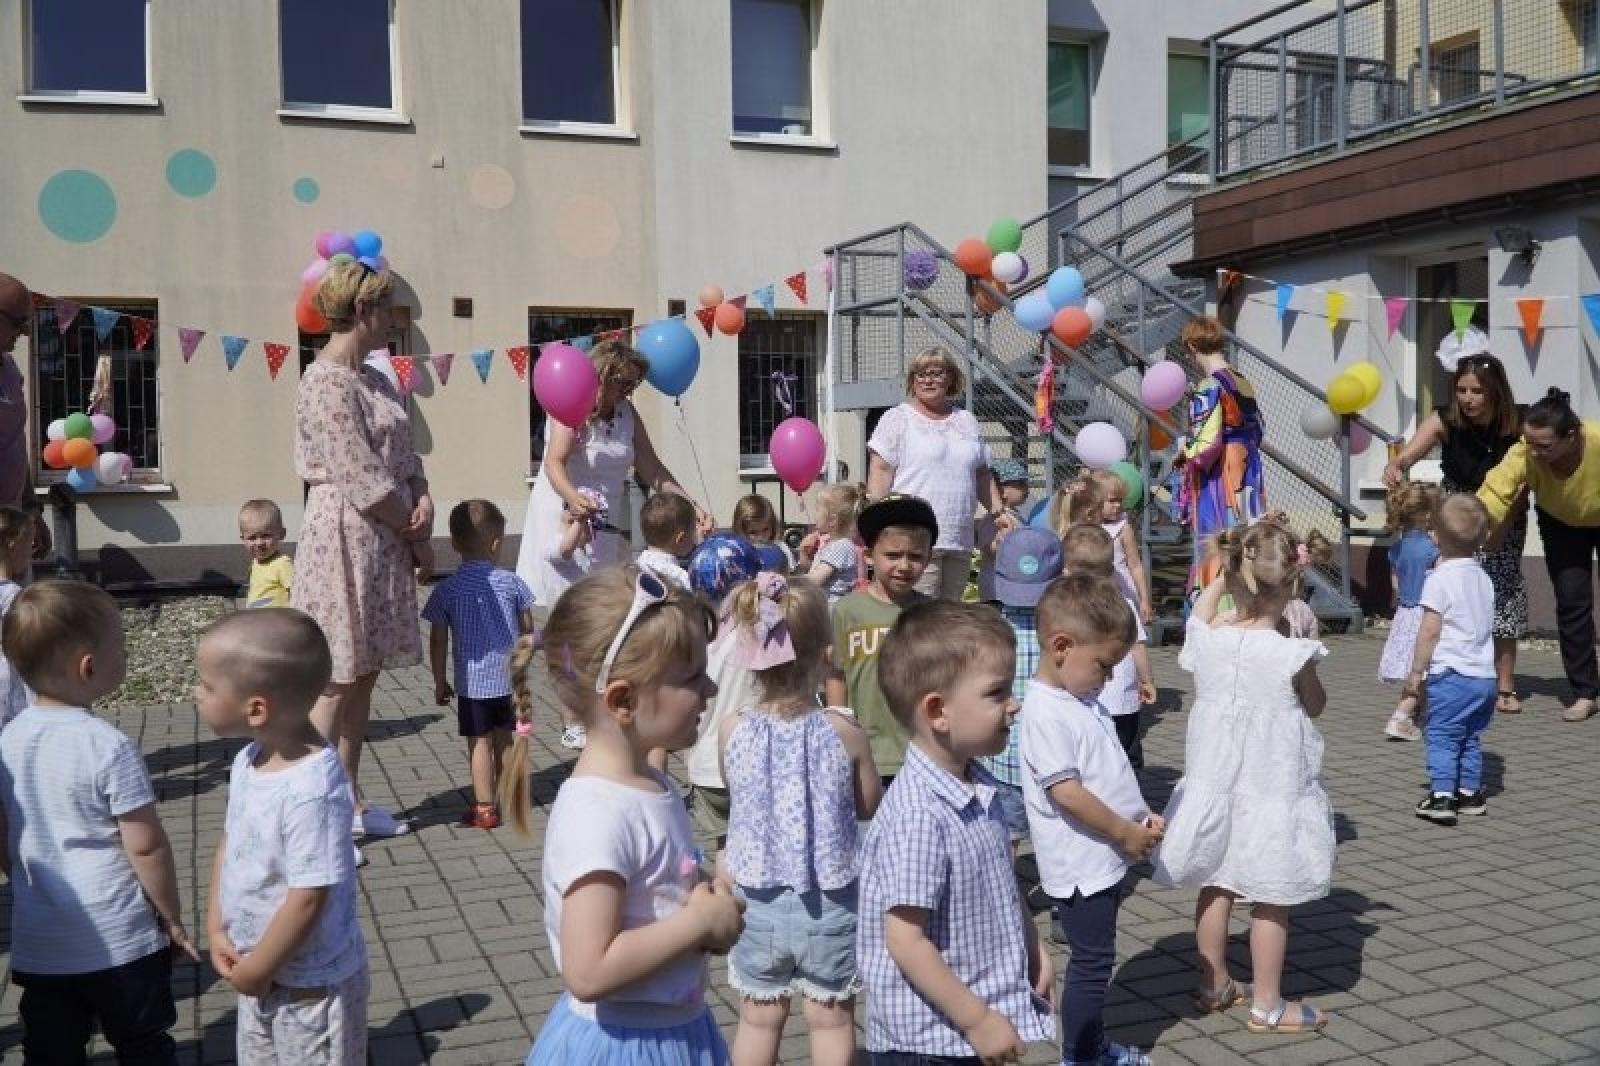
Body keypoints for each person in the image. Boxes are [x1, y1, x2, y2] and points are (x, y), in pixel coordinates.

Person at [499, 567, 745, 1064]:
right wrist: (698, 923)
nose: (711, 689)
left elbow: (650, 887)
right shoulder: (598, 815)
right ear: (624, 700)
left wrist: (702, 892)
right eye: (692, 677)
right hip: (624, 1046)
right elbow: (588, 970)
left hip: (673, 1030)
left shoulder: (650, 784)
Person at [0, 581, 198, 1063]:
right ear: (88, 667)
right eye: (121, 646)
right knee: (142, 1044)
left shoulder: (7, 740)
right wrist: (170, 916)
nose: (126, 653)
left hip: (42, 939)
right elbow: (145, 846)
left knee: (50, 1049)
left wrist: (19, 877)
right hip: (119, 936)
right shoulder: (107, 746)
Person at [1152, 522, 1332, 1035]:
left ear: (1234, 577)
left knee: (1216, 881)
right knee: (1272, 893)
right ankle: (1268, 1005)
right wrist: (1303, 653)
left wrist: (1220, 580)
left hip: (1216, 782)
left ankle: (1214, 985)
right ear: (1293, 586)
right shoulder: (1290, 651)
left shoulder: (1209, 640)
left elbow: (1198, 616)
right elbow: (1315, 705)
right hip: (1270, 784)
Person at [859, 600, 1054, 1063]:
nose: (1014, 704)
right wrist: (977, 1020)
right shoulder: (918, 815)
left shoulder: (977, 783)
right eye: (997, 693)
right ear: (938, 711)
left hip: (970, 1020)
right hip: (930, 1042)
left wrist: (1032, 946)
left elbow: (1000, 882)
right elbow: (905, 940)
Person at [718, 574, 882, 1066]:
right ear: (826, 655)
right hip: (830, 900)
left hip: (756, 898)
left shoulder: (732, 728)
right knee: (830, 1020)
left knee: (757, 1019)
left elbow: (735, 793)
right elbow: (869, 804)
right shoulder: (844, 731)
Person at [293, 260, 431, 842]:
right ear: (361, 310)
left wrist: (423, 495)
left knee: (365, 674)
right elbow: (358, 474)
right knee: (335, 682)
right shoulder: (325, 382)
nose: (395, 320)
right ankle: (312, 823)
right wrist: (413, 528)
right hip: (345, 536)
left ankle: (347, 802)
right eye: (387, 308)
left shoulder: (376, 379)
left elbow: (406, 456)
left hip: (383, 538)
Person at [515, 340, 708, 747]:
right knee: (571, 620)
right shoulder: (573, 401)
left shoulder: (626, 414)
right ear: (602, 377)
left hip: (603, 526)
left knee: (603, 617)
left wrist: (691, 506)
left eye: (634, 385)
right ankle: (572, 717)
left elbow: (652, 468)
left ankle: (593, 698)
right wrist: (573, 498)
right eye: (623, 383)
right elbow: (553, 462)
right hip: (566, 520)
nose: (628, 392)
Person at [197, 610, 367, 1065]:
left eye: (207, 686)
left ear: (256, 708)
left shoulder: (312, 790)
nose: (195, 693)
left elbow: (309, 897)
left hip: (310, 988)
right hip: (256, 966)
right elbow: (230, 844)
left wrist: (259, 969)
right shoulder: (249, 761)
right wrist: (216, 926)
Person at [1019, 573, 1159, 1065]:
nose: (1110, 677)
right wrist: (1123, 831)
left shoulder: (1079, 699)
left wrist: (1140, 818)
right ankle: (1079, 1057)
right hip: (1081, 863)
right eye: (1104, 665)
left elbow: (1106, 773)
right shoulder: (1046, 713)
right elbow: (1068, 794)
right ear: (1061, 646)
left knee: (1098, 960)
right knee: (1092, 965)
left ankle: (1092, 1046)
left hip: (1103, 853)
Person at [1384, 344, 1526, 713]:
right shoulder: (1446, 418)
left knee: (1501, 595)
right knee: (1451, 592)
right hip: (1456, 513)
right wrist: (1398, 465)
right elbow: (1410, 452)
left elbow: (1524, 481)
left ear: (1494, 390)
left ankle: (1505, 685)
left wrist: (1503, 524)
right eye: (1461, 389)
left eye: (1476, 391)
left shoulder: (1516, 424)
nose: (1467, 398)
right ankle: (1445, 675)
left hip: (1501, 511)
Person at [1478, 388, 1600, 722]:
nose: (1535, 452)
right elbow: (1496, 489)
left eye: (1544, 446)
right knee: (1572, 603)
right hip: (1561, 523)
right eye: (1529, 443)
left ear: (1571, 436)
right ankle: (1585, 694)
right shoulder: (1526, 452)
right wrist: (1467, 524)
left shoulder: (1596, 442)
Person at [866, 346, 1016, 599]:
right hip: (914, 537)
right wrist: (879, 522)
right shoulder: (898, 418)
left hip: (959, 536)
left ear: (951, 379)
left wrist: (998, 512)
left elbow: (981, 474)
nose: (928, 380)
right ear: (912, 380)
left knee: (949, 614)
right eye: (921, 374)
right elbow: (880, 471)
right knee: (919, 614)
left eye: (936, 373)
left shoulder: (966, 420)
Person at [422, 500, 536, 829]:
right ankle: (509, 798)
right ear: (497, 544)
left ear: (454, 543)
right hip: (507, 680)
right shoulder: (512, 583)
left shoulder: (446, 590)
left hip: (472, 685)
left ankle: (485, 808)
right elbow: (528, 629)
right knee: (504, 739)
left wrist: (440, 680)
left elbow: (438, 640)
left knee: (479, 743)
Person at [823, 494, 936, 780]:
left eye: (915, 557)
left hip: (920, 754)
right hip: (864, 752)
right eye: (893, 555)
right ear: (868, 555)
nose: (904, 566)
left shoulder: (931, 614)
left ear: (928, 559)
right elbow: (836, 675)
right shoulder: (848, 610)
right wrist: (838, 727)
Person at [1404, 495, 1499, 825]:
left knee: (1442, 735)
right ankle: (1469, 793)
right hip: (1484, 676)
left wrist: (1416, 671)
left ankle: (1442, 795)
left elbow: (1430, 630)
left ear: (1435, 537)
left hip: (1452, 675)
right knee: (1469, 736)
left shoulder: (1439, 579)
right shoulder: (1483, 578)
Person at [981, 526, 1065, 849]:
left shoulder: (991, 629)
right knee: (1057, 834)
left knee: (1006, 839)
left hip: (1005, 757)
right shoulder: (1066, 630)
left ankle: (1008, 879)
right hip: (1056, 757)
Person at [683, 534, 765, 848]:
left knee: (723, 847)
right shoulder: (756, 634)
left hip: (705, 767)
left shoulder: (695, 640)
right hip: (751, 764)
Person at [1176, 315, 1265, 596]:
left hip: (1221, 470)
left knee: (1219, 535)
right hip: (1248, 465)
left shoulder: (1209, 386)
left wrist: (1185, 451)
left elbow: (1206, 444)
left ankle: (1220, 599)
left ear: (1192, 347)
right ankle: (1253, 593)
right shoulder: (1242, 381)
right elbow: (1260, 428)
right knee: (1249, 529)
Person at [1061, 524, 1157, 769]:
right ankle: (1130, 790)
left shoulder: (1064, 606)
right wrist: (1147, 680)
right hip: (1122, 698)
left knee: (1089, 759)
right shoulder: (1123, 603)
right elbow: (1137, 646)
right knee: (1127, 757)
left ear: (1066, 570)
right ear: (1111, 569)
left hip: (1083, 696)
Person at [1379, 483, 1441, 742]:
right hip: (1426, 615)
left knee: (1416, 670)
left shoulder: (1396, 549)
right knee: (1423, 669)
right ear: (1426, 515)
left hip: (1405, 614)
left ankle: (1421, 715)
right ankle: (1401, 716)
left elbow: (1396, 587)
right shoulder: (1433, 549)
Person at [0, 274, 53, 563]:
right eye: (19, 323)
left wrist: (32, 511)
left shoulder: (10, 370)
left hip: (12, 523)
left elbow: (15, 443)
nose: (24, 333)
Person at [1097, 470, 1154, 625]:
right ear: (1096, 500)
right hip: (1096, 592)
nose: (1117, 505)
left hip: (1123, 592)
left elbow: (1135, 565)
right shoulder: (1087, 528)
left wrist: (1144, 599)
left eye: (1120, 500)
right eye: (1112, 500)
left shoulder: (1123, 528)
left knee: (1129, 634)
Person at [974, 458, 1035, 602]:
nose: (1027, 488)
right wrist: (1001, 541)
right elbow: (989, 549)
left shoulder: (1016, 516)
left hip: (1013, 583)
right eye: (1020, 484)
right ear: (1001, 491)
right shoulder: (993, 519)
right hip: (996, 587)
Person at [797, 482, 865, 606]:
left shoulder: (841, 547)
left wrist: (789, 582)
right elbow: (812, 570)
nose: (815, 514)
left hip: (832, 609)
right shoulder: (831, 543)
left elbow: (815, 580)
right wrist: (804, 553)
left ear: (832, 520)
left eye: (817, 510)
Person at [0, 506, 34, 727]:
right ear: (14, 546)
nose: (31, 552)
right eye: (29, 545)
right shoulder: (15, 597)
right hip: (7, 688)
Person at [637, 491, 701, 591]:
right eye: (694, 530)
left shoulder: (636, 568)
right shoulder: (679, 578)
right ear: (681, 539)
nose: (696, 533)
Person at [239, 499, 293, 609]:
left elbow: (298, 594)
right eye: (252, 538)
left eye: (266, 536)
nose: (259, 543)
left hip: (277, 618)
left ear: (282, 534)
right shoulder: (255, 563)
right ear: (243, 539)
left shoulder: (282, 564)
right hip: (257, 617)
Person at [732, 494, 795, 574]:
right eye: (753, 532)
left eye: (765, 529)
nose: (760, 537)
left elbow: (791, 574)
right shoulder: (738, 552)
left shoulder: (781, 548)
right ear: (741, 531)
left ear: (772, 525)